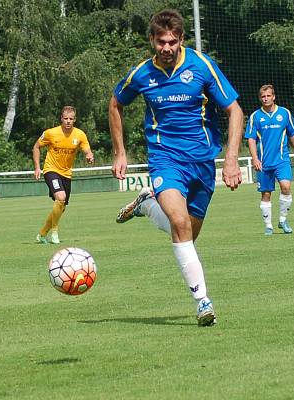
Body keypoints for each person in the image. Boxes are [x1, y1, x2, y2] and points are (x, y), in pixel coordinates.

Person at [109, 9, 244, 327]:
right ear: (152, 41)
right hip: (165, 160)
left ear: (182, 39)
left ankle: (145, 205)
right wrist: (120, 152)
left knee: (187, 234)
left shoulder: (201, 66)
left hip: (202, 162)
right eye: (160, 42)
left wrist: (232, 157)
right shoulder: (141, 74)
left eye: (172, 42)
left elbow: (235, 110)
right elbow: (115, 104)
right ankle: (203, 302)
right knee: (180, 224)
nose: (166, 48)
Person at [245, 85, 294, 235]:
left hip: (281, 160)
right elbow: (251, 139)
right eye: (263, 97)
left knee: (286, 186)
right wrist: (255, 159)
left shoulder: (284, 113)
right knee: (266, 194)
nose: (266, 99)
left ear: (274, 97)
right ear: (260, 98)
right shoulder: (255, 117)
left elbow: (293, 135)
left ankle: (283, 220)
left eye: (268, 96)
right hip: (263, 163)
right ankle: (268, 226)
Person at [32, 106, 94, 244]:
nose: (68, 121)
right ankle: (55, 232)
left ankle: (42, 234)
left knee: (62, 206)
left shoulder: (80, 135)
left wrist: (89, 156)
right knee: (61, 197)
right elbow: (36, 147)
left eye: (71, 119)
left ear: (74, 120)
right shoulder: (50, 133)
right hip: (51, 170)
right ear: (61, 118)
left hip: (66, 173)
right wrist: (37, 167)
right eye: (65, 118)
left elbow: (87, 150)